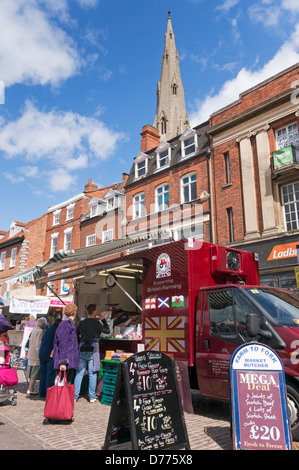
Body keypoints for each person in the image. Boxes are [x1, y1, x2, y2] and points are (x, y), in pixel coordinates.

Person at [74, 304, 109, 403]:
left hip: (82, 347)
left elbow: (76, 333)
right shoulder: (96, 323)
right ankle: (92, 396)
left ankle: (75, 397)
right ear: (94, 312)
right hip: (94, 349)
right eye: (96, 310)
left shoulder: (82, 322)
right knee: (93, 373)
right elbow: (107, 330)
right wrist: (103, 320)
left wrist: (80, 341)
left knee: (79, 373)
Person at [53, 303, 79, 384]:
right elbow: (63, 344)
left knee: (66, 384)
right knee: (62, 385)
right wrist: (63, 362)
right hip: (65, 361)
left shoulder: (68, 324)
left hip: (68, 361)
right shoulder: (65, 324)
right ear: (74, 312)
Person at [39, 318, 62, 398]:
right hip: (50, 354)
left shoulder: (48, 329)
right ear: (59, 323)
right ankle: (48, 394)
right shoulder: (57, 330)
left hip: (42, 353)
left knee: (43, 374)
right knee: (50, 374)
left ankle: (41, 393)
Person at [26, 317, 47, 395]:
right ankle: (30, 388)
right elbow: (38, 344)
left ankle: (30, 388)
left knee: (31, 372)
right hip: (35, 355)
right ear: (43, 324)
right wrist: (40, 354)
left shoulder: (34, 330)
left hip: (31, 354)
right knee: (35, 373)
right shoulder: (40, 331)